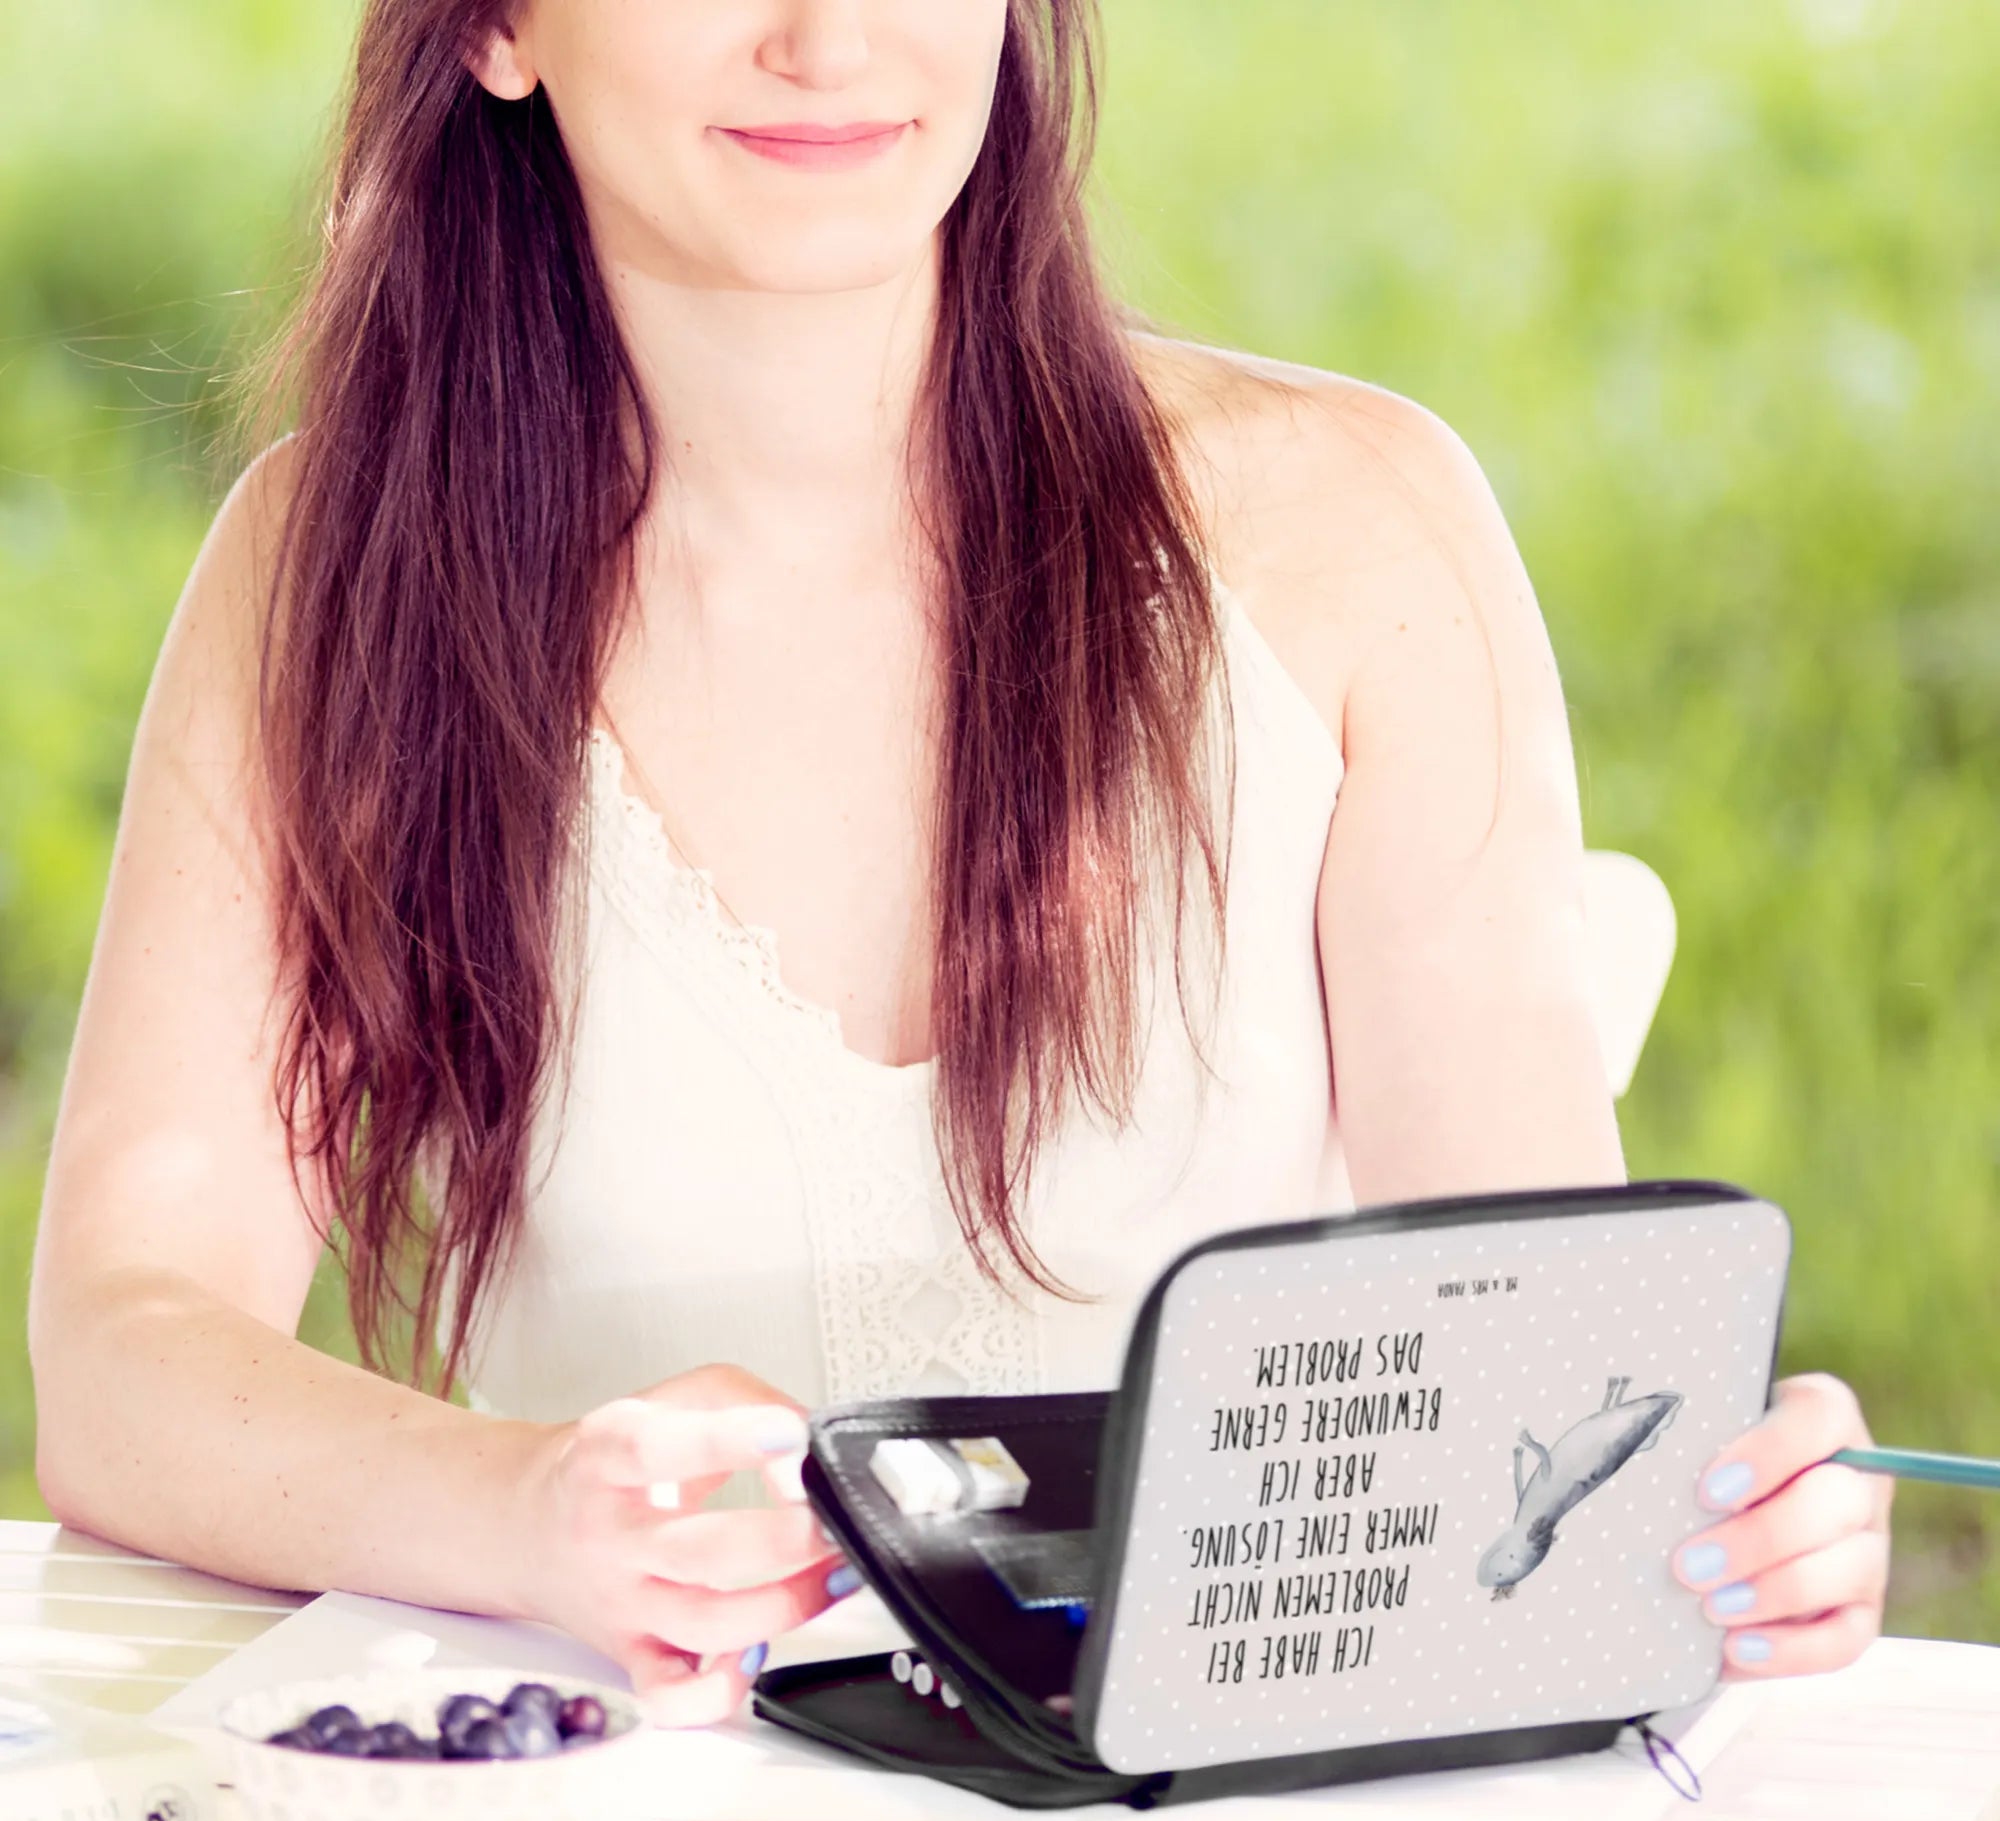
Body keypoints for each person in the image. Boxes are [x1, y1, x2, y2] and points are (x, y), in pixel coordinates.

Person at [26, 0, 1891, 1729]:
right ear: (498, 27)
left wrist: (1737, 1518)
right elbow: (122, 1361)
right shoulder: (341, 572)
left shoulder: (1353, 536)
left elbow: (1559, 1380)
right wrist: (521, 1507)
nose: (829, 40)